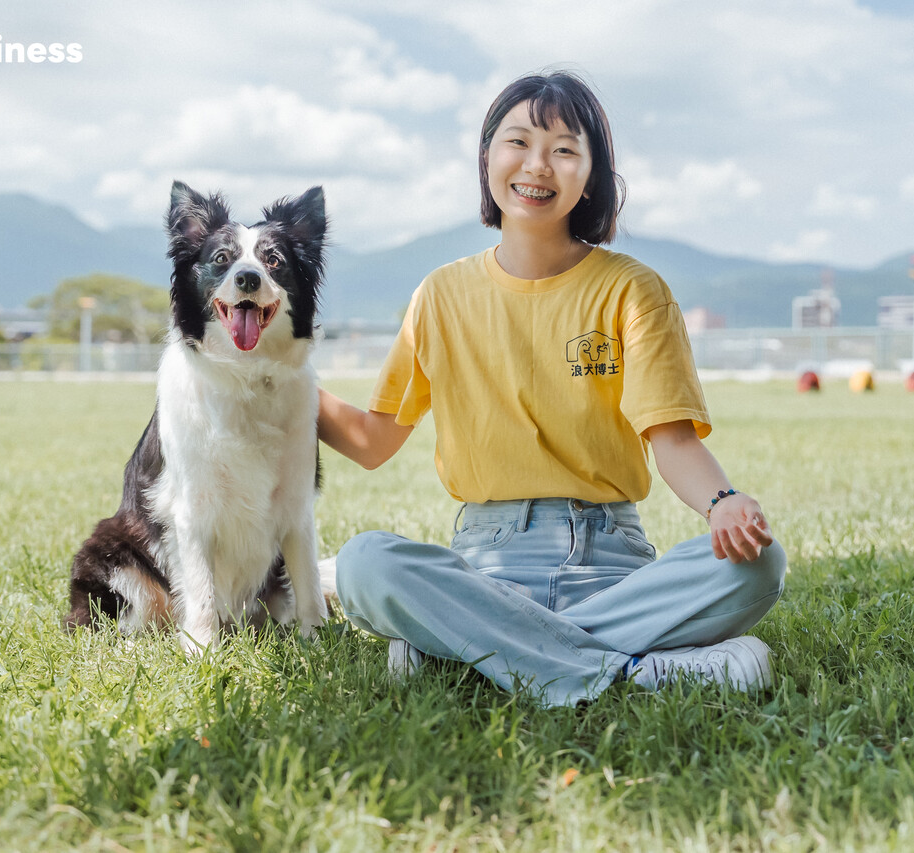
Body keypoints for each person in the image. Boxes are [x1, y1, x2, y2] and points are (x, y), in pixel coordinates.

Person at [316, 69, 785, 708]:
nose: (538, 165)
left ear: (590, 175)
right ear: (487, 158)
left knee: (758, 564)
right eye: (518, 142)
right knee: (364, 564)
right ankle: (627, 671)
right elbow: (372, 441)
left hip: (612, 563)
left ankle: (469, 652)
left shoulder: (633, 291)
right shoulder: (440, 295)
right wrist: (276, 383)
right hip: (485, 567)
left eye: (565, 149)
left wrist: (724, 502)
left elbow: (671, 441)